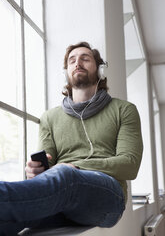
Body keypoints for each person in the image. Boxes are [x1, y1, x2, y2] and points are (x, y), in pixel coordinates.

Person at [0, 42, 143, 236]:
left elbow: (130, 165)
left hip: (109, 198)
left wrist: (73, 167)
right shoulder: (49, 117)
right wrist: (37, 170)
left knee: (67, 176)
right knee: (7, 222)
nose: (78, 63)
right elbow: (49, 169)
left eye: (85, 58)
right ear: (66, 72)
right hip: (61, 199)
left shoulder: (124, 109)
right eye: (72, 60)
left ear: (100, 69)